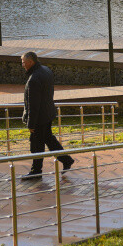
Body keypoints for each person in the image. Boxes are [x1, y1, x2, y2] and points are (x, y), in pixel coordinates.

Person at [21, 51, 73, 179]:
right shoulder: (45, 70)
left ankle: (36, 172)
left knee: (36, 145)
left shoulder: (34, 79)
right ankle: (66, 160)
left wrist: (31, 124)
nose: (22, 64)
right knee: (49, 139)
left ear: (31, 62)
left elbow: (34, 104)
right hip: (48, 114)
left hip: (39, 118)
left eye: (23, 62)